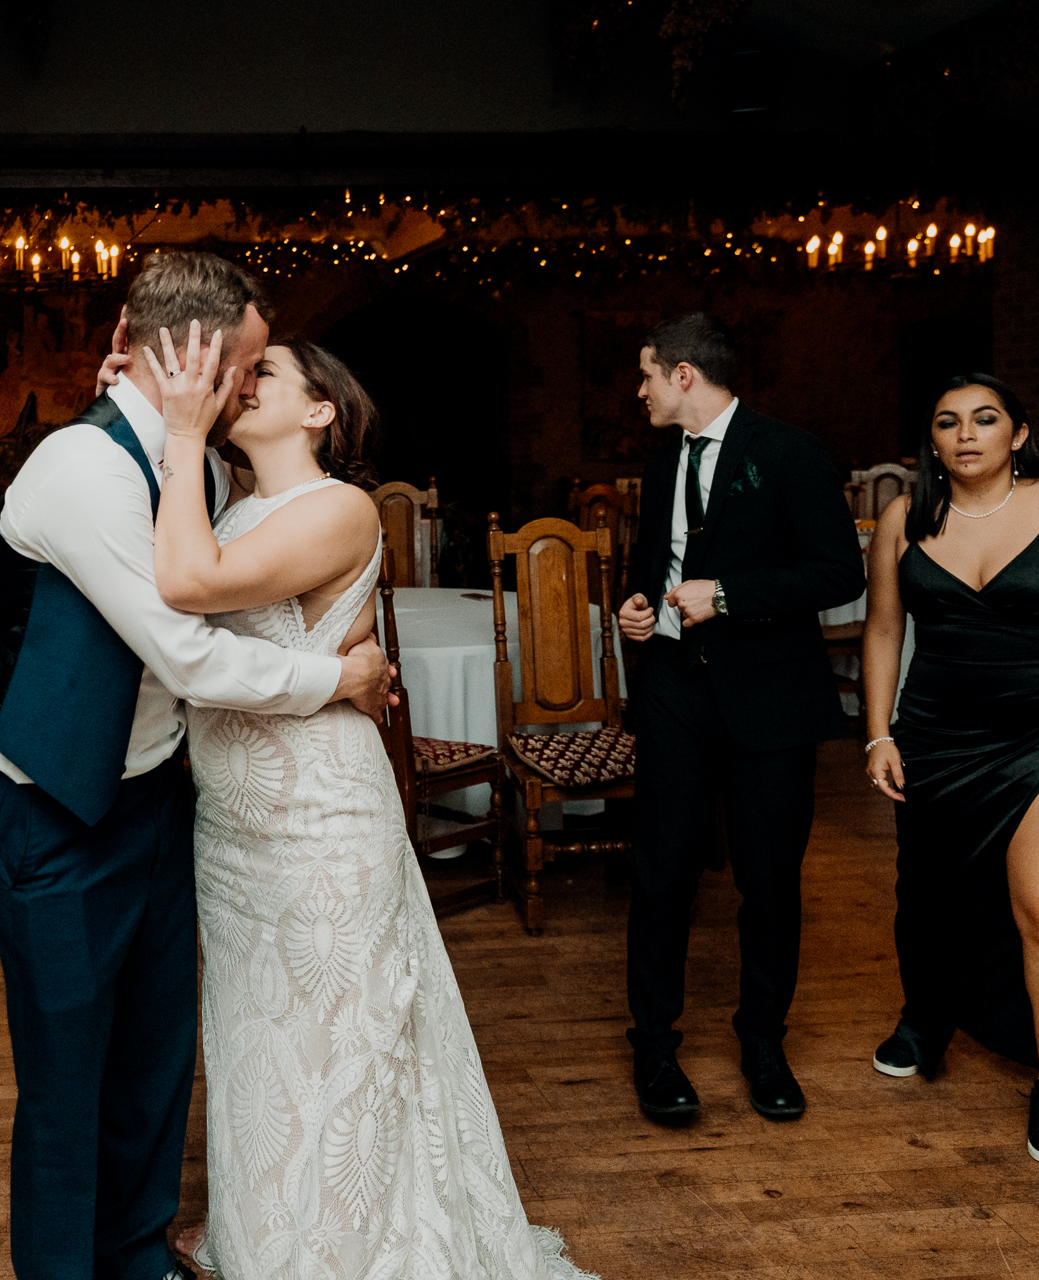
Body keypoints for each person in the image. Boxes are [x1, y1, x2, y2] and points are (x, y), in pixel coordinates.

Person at [0, 251, 394, 1280]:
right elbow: (186, 651)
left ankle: (137, 1254)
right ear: (192, 352)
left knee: (157, 1061)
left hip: (156, 795)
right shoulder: (81, 468)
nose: (252, 385)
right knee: (69, 1079)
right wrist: (334, 680)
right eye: (246, 365)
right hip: (50, 810)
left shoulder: (197, 466)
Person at [147, 323, 595, 1279]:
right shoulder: (222, 499)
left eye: (261, 370)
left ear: (321, 410)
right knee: (256, 1038)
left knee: (341, 1037)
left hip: (318, 815)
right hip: (232, 819)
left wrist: (183, 435)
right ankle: (266, 1227)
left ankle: (345, 1253)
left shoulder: (341, 507)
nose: (238, 381)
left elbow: (190, 588)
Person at [862, 374, 1039, 1167]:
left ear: (1018, 433)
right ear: (933, 440)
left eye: (986, 419)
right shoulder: (902, 518)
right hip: (935, 740)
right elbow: (883, 632)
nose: (967, 434)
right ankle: (928, 1016)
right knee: (929, 902)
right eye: (948, 421)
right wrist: (877, 735)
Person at [614, 313, 866, 1126]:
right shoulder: (660, 469)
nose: (640, 389)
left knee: (769, 882)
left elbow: (838, 573)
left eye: (648, 374)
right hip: (674, 693)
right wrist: (639, 608)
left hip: (770, 698)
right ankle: (653, 1045)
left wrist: (726, 596)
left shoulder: (788, 452)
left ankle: (763, 1042)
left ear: (685, 374)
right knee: (660, 876)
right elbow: (653, 566)